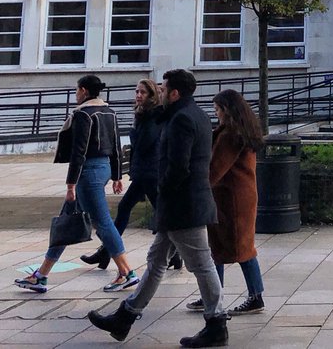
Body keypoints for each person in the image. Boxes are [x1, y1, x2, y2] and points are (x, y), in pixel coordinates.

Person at [87, 69, 228, 348]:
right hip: (185, 203)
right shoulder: (195, 114)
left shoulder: (181, 120)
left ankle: (217, 323)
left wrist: (164, 192)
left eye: (163, 89)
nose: (160, 92)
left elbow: (178, 166)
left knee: (201, 263)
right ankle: (125, 316)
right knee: (156, 261)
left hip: (183, 206)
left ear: (175, 93)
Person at [15, 75, 137, 293]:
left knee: (102, 222)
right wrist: (117, 176)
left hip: (87, 172)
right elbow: (117, 145)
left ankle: (126, 272)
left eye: (77, 90)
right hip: (103, 169)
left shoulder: (83, 114)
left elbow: (78, 152)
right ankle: (41, 275)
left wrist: (70, 184)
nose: (76, 94)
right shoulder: (110, 111)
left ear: (83, 90)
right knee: (65, 221)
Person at [81, 79, 181, 272]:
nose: (138, 95)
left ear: (152, 96)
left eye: (143, 92)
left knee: (158, 212)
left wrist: (133, 134)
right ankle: (106, 252)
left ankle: (174, 253)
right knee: (134, 208)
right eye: (136, 91)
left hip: (150, 173)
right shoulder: (144, 114)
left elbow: (144, 143)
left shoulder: (153, 115)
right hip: (144, 172)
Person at [185, 89, 266, 316]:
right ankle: (213, 293)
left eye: (217, 109)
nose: (216, 114)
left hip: (233, 199)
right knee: (219, 247)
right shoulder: (237, 131)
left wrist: (196, 187)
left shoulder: (231, 135)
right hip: (232, 197)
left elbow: (215, 168)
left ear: (227, 110)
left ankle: (255, 296)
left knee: (242, 249)